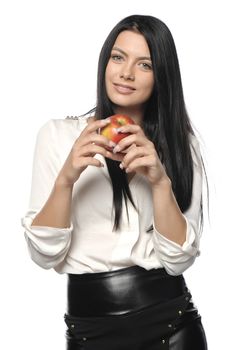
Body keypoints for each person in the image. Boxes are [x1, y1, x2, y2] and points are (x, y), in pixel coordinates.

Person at [22, 14, 208, 349]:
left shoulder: (181, 146)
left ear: (161, 76)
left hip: (172, 327)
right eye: (118, 57)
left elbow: (178, 259)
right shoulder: (58, 136)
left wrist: (160, 182)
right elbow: (45, 254)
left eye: (145, 64)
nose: (125, 73)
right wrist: (67, 179)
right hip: (89, 331)